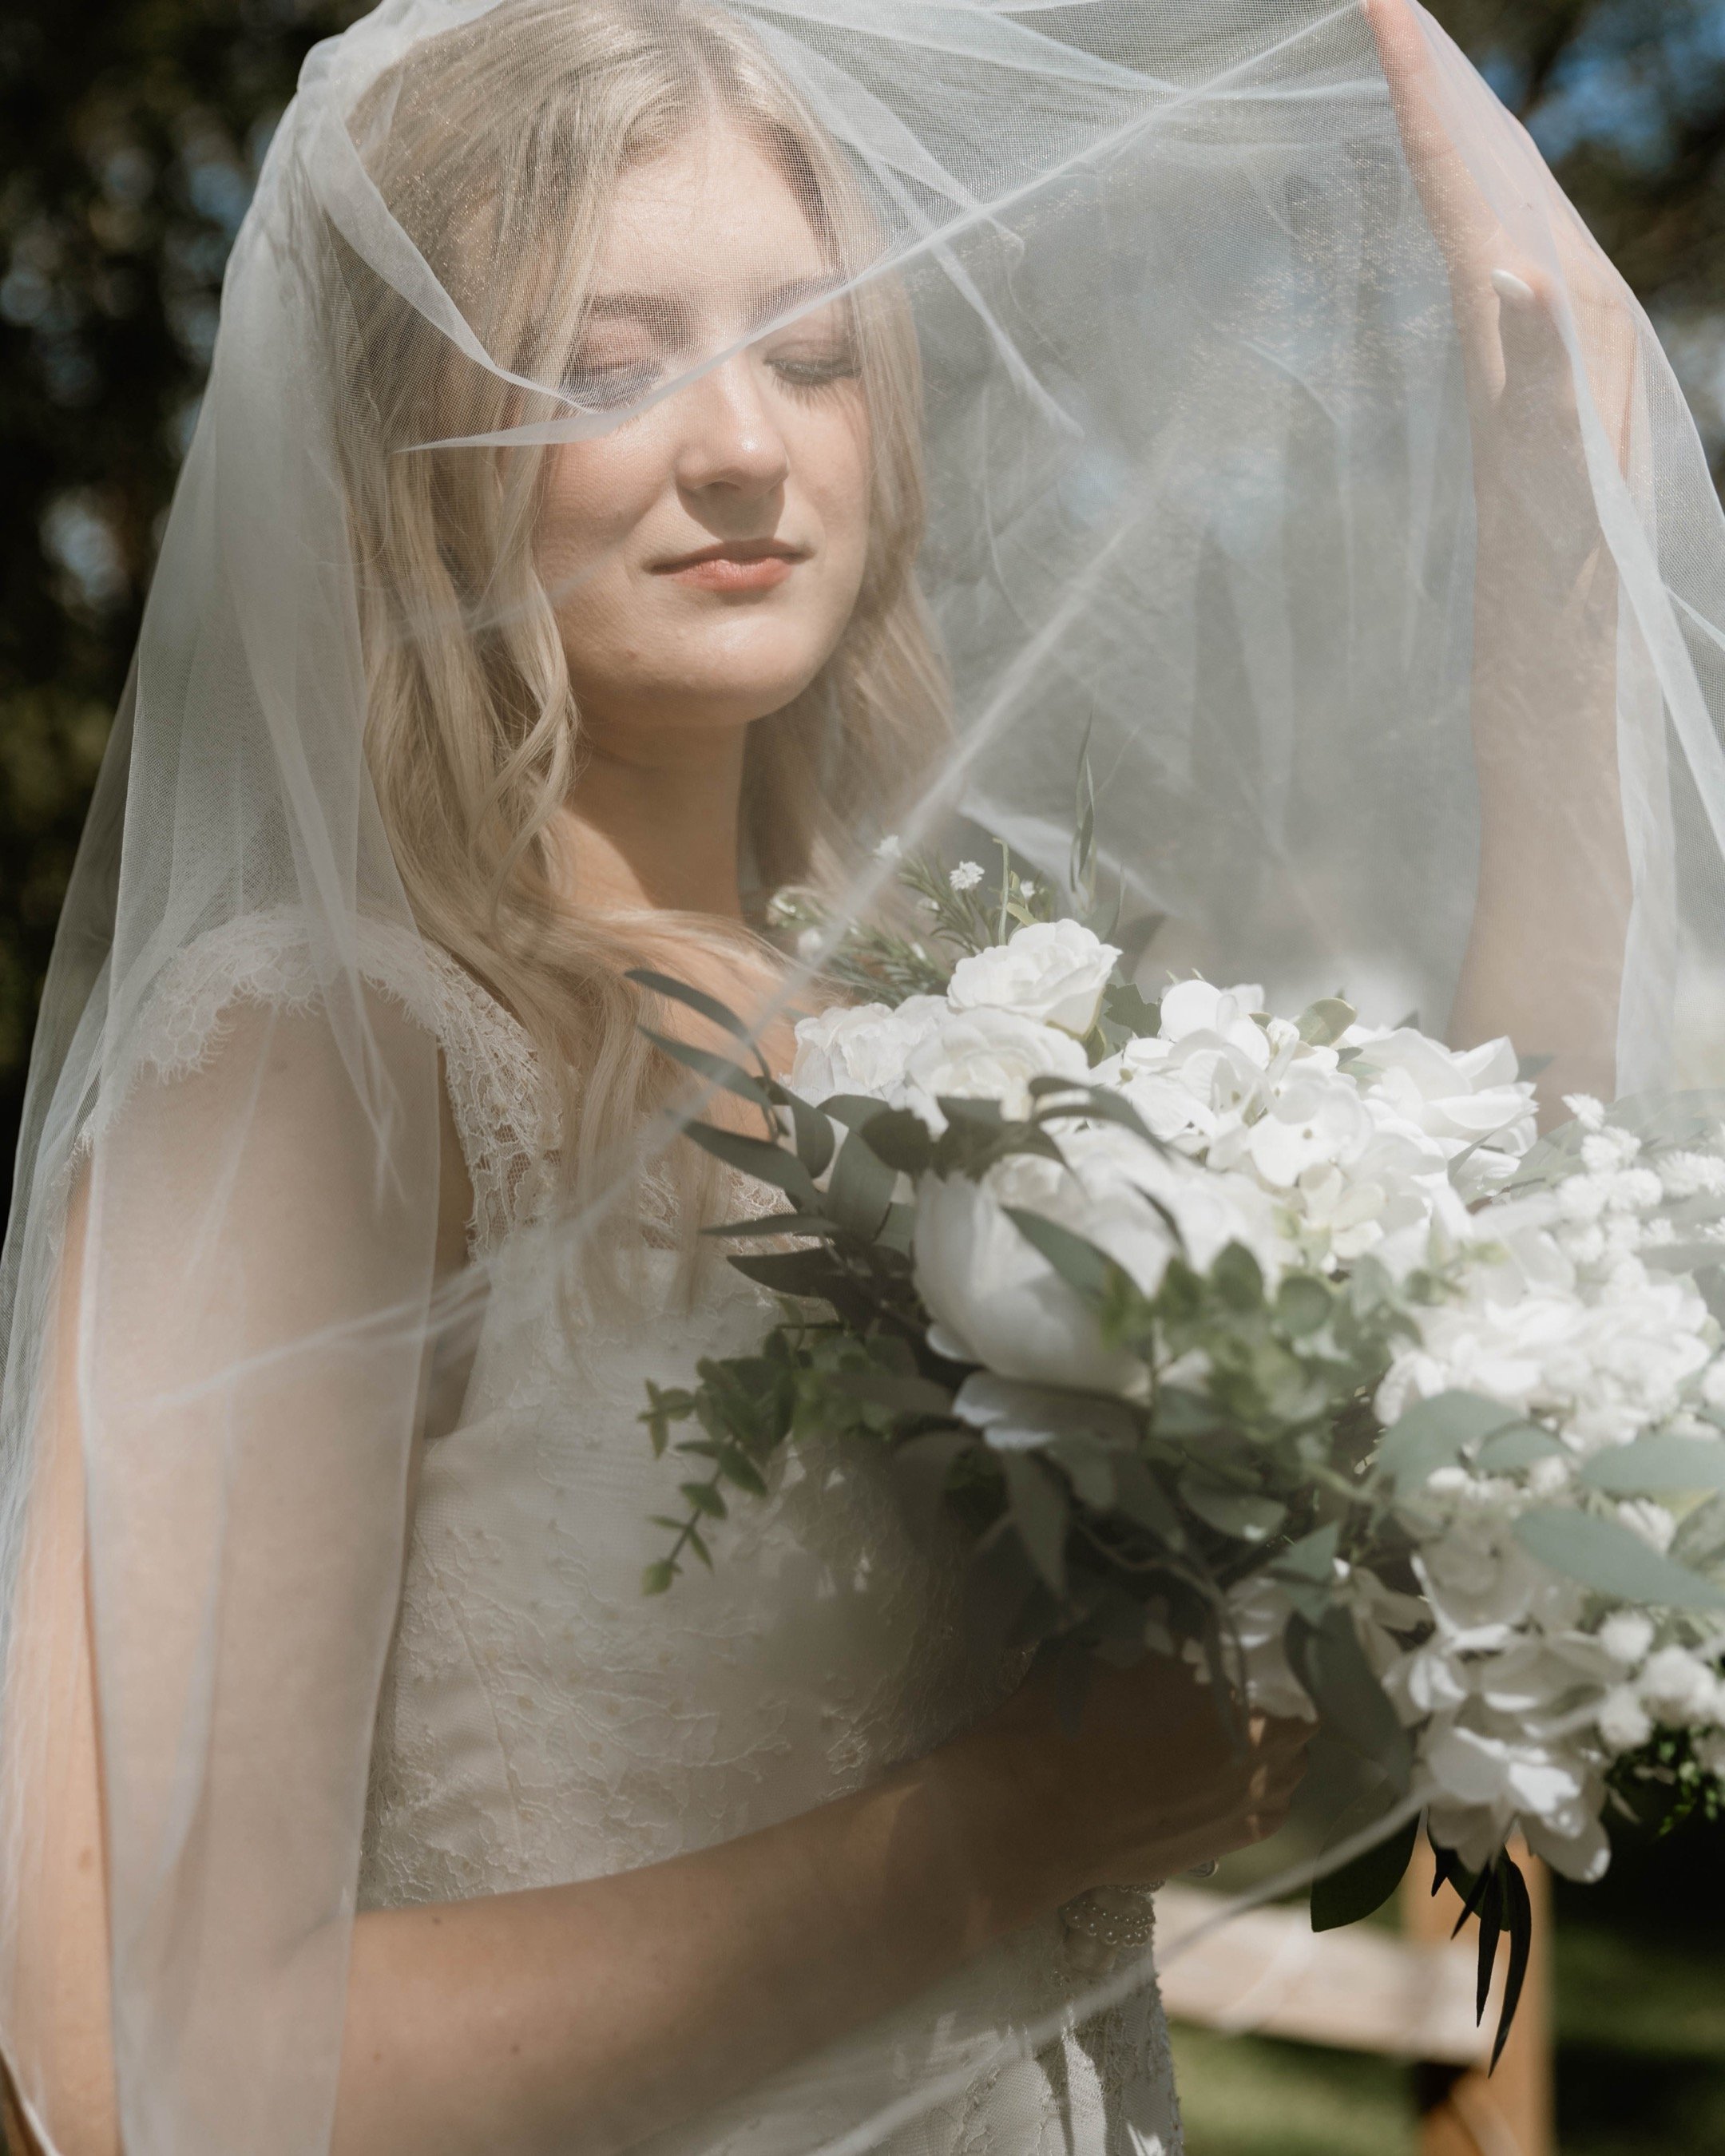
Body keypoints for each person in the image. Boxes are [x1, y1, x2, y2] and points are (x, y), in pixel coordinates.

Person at [0, 2, 1711, 2154]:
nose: (746, 447)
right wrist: (994, 1837)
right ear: (404, 439)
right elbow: (139, 2060)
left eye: (812, 355)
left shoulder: (941, 1030)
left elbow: (1489, 1345)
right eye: (607, 367)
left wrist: (1562, 535)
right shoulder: (325, 1067)